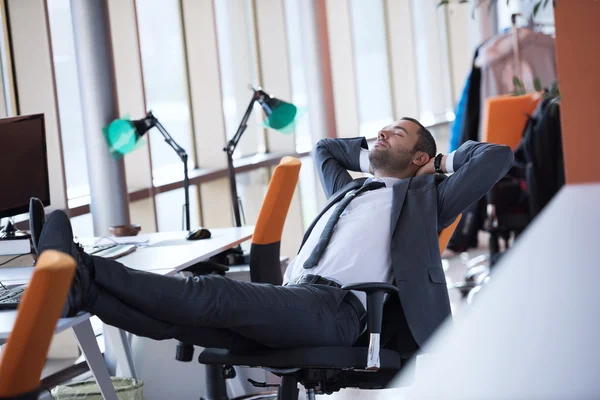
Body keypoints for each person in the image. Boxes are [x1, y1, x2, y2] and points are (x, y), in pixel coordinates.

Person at [38, 117, 513, 352]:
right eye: (381, 130)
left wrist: (440, 165)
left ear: (419, 159)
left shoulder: (425, 200)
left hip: (340, 310)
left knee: (213, 294)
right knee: (180, 325)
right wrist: (376, 153)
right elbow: (325, 148)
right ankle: (80, 293)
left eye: (397, 134)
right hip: (297, 297)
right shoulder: (350, 189)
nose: (380, 134)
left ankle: (82, 266)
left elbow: (497, 156)